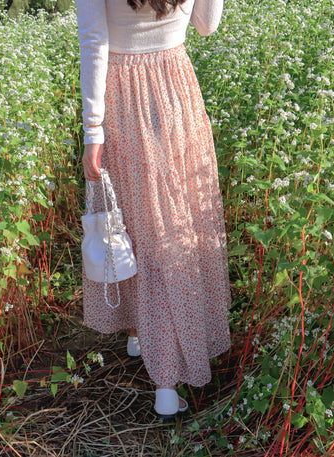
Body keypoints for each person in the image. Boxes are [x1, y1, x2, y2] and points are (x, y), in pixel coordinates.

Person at [77, 0, 230, 418]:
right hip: (175, 87)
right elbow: (207, 25)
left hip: (120, 95)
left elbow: (94, 40)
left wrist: (93, 130)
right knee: (171, 226)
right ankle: (159, 367)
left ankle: (149, 351)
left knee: (133, 219)